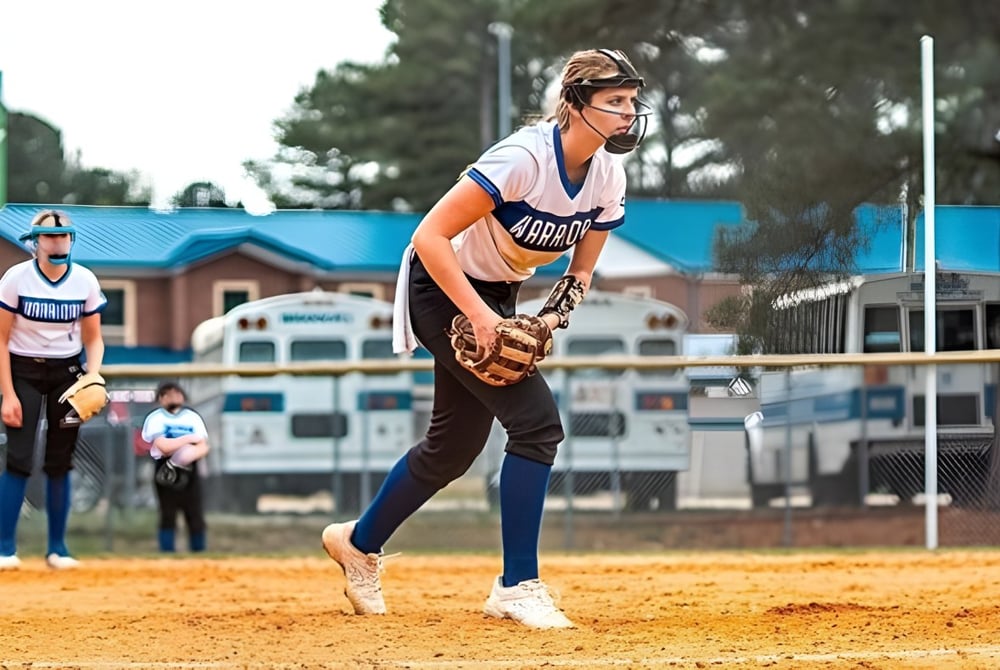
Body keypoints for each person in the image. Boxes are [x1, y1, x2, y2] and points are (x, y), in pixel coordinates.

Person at [321, 48, 649, 628]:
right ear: (574, 105)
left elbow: (579, 274)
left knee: (452, 448)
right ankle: (517, 584)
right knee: (537, 423)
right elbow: (430, 235)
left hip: (498, 296)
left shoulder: (607, 176)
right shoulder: (523, 158)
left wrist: (545, 322)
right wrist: (479, 317)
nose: (629, 113)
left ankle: (358, 542)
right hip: (440, 286)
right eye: (614, 101)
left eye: (631, 101)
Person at [0, 210, 107, 570]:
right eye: (49, 236)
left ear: (72, 240)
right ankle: (4, 548)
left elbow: (93, 338)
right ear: (35, 242)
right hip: (23, 370)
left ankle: (57, 549)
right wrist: (8, 395)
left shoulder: (85, 281)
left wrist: (92, 376)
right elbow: (1, 339)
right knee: (18, 459)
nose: (57, 242)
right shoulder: (16, 279)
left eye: (64, 236)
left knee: (60, 461)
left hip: (67, 373)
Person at [140, 381, 210, 553]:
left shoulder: (192, 417)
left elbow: (203, 446)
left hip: (189, 471)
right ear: (160, 399)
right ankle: (167, 552)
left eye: (177, 393)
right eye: (167, 394)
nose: (173, 396)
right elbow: (164, 446)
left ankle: (199, 552)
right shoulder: (156, 418)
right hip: (165, 468)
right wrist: (188, 440)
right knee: (168, 514)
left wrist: (187, 455)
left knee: (195, 515)